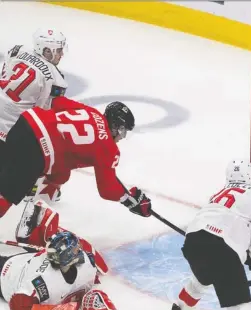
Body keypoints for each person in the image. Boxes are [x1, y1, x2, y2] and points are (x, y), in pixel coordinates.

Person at [0, 95, 152, 242]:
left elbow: (57, 102)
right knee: (8, 194)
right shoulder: (109, 148)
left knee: (60, 174)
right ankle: (33, 210)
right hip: (37, 150)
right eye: (122, 131)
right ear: (115, 126)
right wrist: (130, 199)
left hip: (26, 123)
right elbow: (107, 189)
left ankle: (37, 201)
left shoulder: (91, 112)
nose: (122, 137)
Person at [162, 160, 251, 310]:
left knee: (201, 279)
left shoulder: (217, 195)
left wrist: (248, 256)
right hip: (222, 247)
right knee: (240, 309)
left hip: (193, 241)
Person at [0, 230, 118, 310]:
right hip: (7, 275)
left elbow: (89, 279)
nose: (80, 250)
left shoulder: (87, 262)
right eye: (76, 249)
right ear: (68, 257)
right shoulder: (42, 281)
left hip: (23, 261)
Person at [0, 28, 68, 201]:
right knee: (42, 144)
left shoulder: (17, 50)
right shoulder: (56, 80)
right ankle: (33, 185)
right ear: (47, 50)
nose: (61, 54)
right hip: (9, 131)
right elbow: (41, 116)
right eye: (58, 50)